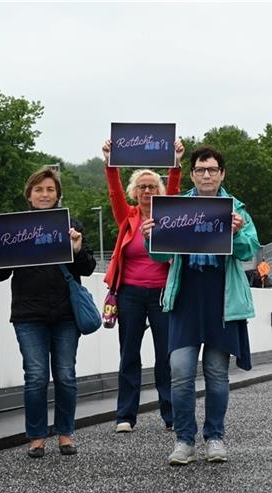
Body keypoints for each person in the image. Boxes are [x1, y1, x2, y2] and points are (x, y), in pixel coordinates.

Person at [143, 146, 260, 465]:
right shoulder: (175, 208)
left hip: (222, 297)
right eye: (200, 170)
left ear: (222, 174)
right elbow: (160, 256)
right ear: (192, 174)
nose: (206, 175)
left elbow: (248, 250)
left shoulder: (237, 209)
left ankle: (215, 437)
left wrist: (237, 233)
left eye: (212, 169)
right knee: (180, 371)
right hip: (186, 295)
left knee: (216, 373)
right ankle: (184, 440)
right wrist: (150, 237)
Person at [0, 167, 96, 458]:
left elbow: (88, 268)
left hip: (66, 314)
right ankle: (36, 436)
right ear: (29, 195)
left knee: (66, 375)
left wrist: (77, 249)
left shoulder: (71, 225)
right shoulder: (13, 229)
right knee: (35, 376)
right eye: (38, 190)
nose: (44, 194)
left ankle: (65, 433)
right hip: (28, 314)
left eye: (50, 189)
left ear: (58, 195)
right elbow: (0, 275)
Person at [102, 139, 184, 434]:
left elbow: (174, 189)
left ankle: (171, 415)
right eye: (142, 187)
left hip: (162, 293)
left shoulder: (168, 216)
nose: (147, 191)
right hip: (130, 294)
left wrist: (176, 163)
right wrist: (110, 162)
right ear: (134, 192)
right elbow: (113, 192)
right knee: (129, 354)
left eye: (152, 186)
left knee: (166, 355)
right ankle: (125, 415)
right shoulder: (128, 217)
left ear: (159, 191)